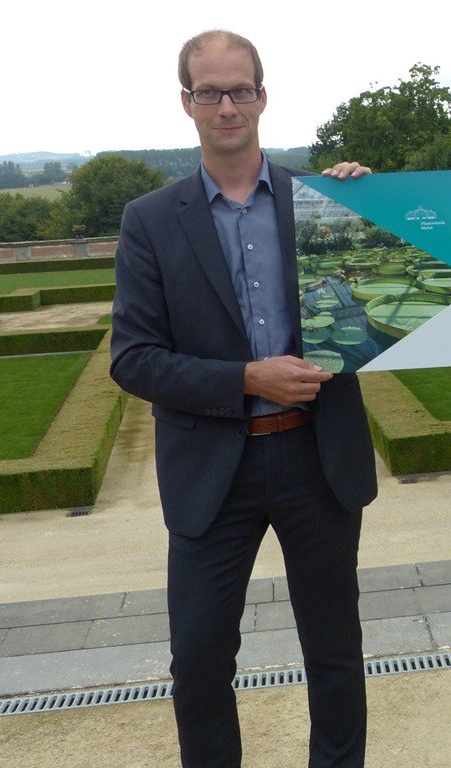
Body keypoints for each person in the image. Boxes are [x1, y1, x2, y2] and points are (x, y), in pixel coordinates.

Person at [110, 30, 378, 768]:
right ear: (187, 103)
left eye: (240, 90)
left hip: (316, 457)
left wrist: (369, 203)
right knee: (197, 664)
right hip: (211, 470)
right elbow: (132, 360)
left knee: (334, 652)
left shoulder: (323, 203)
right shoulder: (150, 220)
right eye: (210, 92)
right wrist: (246, 379)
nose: (227, 105)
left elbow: (393, 298)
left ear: (263, 96)